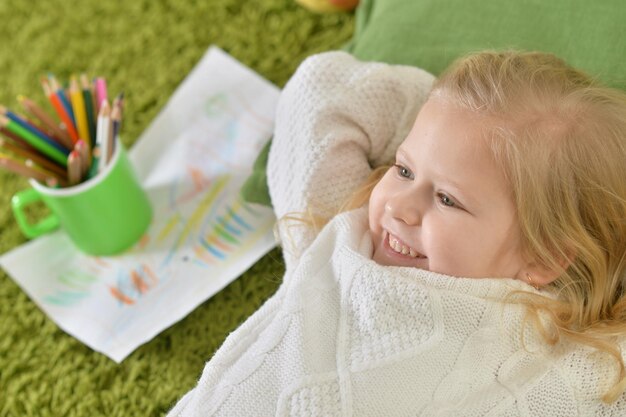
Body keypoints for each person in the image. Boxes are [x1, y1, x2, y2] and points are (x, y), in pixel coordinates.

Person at [168, 50, 626, 416]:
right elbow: (319, 84)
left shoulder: (556, 355)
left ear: (544, 257)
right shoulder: (332, 239)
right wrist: (454, 109)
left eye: (448, 199)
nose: (401, 207)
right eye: (403, 168)